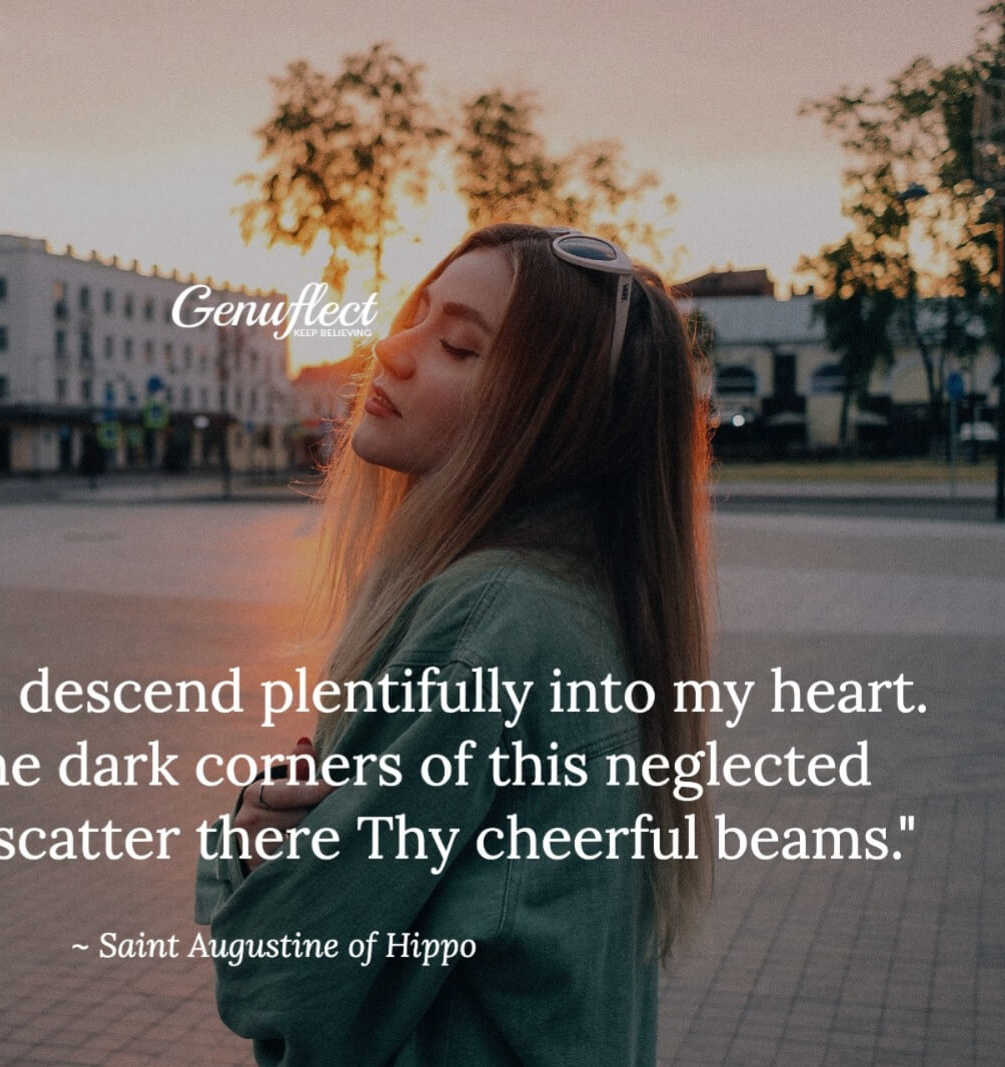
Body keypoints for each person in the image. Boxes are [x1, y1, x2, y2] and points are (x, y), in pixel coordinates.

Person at [194, 223, 714, 1065]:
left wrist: (251, 863)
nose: (391, 352)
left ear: (553, 422)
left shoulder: (489, 620)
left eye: (460, 347)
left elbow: (284, 983)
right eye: (414, 316)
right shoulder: (575, 602)